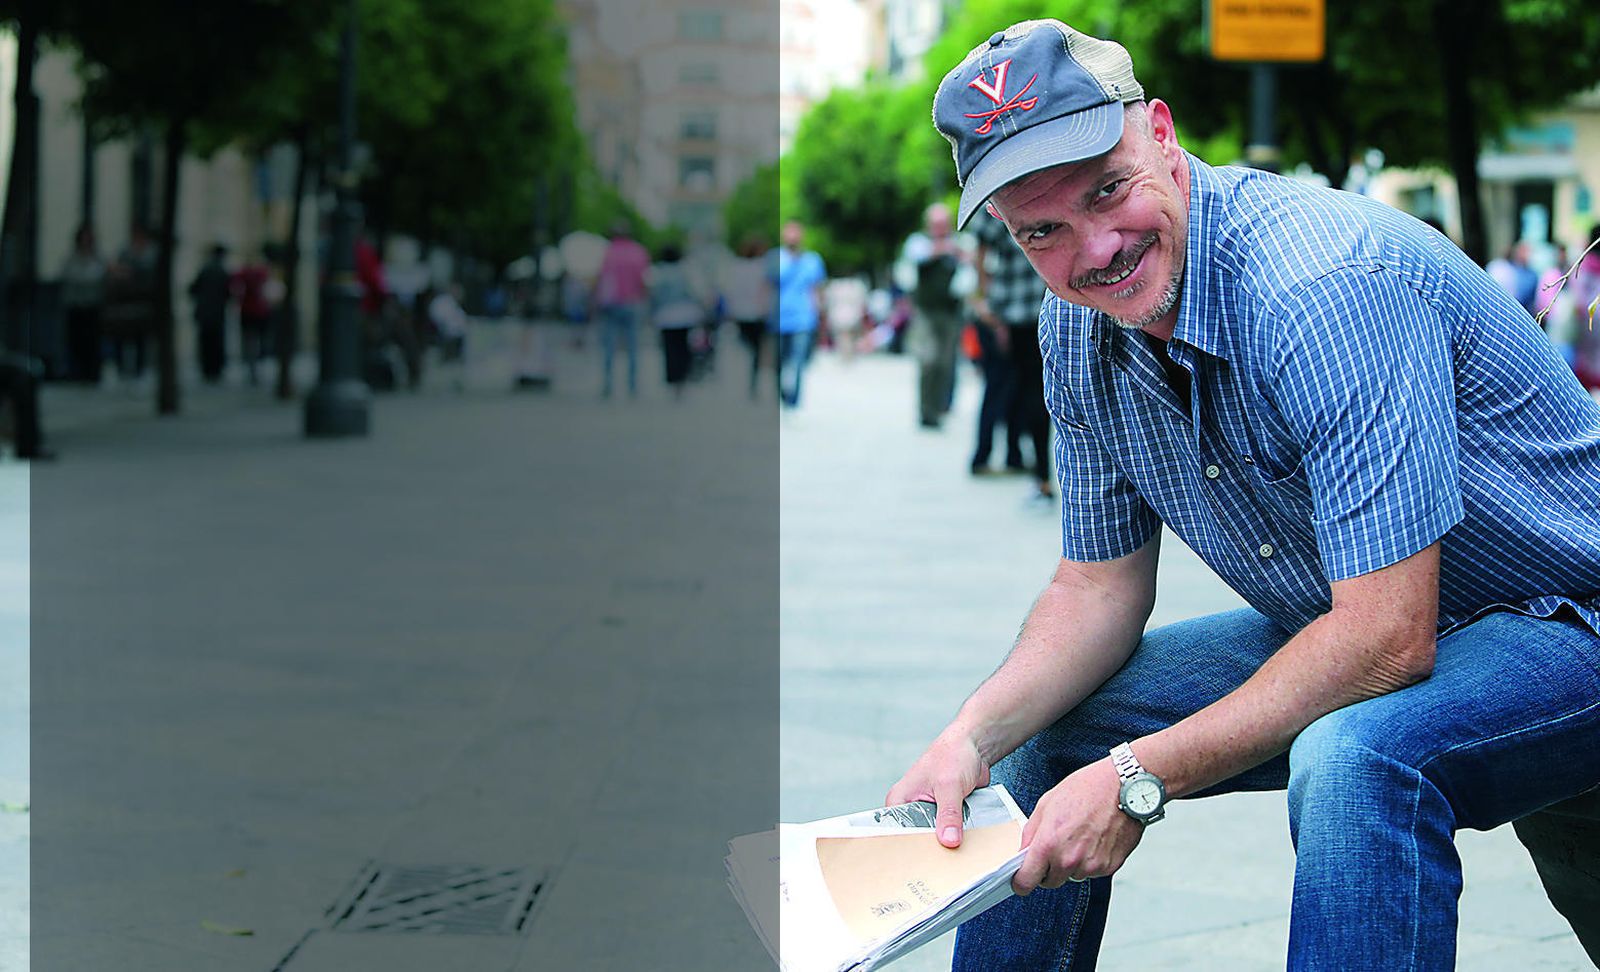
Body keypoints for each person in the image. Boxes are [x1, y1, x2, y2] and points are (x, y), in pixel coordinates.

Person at [887, 20, 1600, 971]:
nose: (1096, 250)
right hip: (1374, 621)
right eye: (1042, 231)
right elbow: (1096, 587)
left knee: (1358, 759)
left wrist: (1136, 776)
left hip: (1569, 618)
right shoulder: (1077, 326)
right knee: (1044, 735)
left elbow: (1386, 640)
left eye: (1107, 190)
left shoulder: (1323, 287)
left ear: (1163, 134)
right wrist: (969, 736)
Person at [971, 210, 1054, 503]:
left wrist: (982, 298)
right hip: (1034, 305)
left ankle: (1029, 467)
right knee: (1029, 391)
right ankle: (1035, 471)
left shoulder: (993, 202)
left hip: (1013, 310)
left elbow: (980, 253)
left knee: (1013, 389)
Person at [895, 203, 976, 428]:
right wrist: (942, 250)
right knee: (929, 359)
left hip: (951, 312)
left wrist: (959, 253)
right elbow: (914, 260)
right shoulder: (918, 242)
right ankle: (926, 411)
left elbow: (971, 263)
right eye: (936, 224)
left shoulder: (960, 243)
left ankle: (941, 408)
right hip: (925, 311)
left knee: (946, 362)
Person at [593, 221, 651, 399]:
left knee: (609, 345)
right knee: (633, 345)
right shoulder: (638, 252)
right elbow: (644, 280)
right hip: (632, 303)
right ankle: (632, 385)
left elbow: (600, 278)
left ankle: (608, 383)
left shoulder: (607, 252)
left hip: (610, 303)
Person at [774, 220, 825, 408]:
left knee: (798, 361)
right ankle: (781, 394)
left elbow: (816, 289)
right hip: (779, 318)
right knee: (779, 362)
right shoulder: (776, 258)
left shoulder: (813, 260)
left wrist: (819, 314)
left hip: (804, 318)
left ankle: (793, 399)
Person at [649, 244, 709, 400]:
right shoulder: (685, 271)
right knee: (684, 348)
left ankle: (673, 379)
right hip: (685, 315)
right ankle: (683, 378)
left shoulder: (658, 272)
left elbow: (654, 296)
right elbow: (694, 292)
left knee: (669, 350)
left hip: (665, 316)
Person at [723, 236, 773, 399]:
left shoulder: (735, 267)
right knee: (757, 349)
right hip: (757, 313)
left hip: (740, 313)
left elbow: (729, 291)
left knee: (749, 348)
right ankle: (753, 381)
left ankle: (750, 380)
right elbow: (765, 291)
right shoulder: (762, 267)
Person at [59, 223, 108, 384]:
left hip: (92, 307)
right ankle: (77, 372)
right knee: (76, 342)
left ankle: (92, 373)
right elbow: (69, 275)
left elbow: (99, 276)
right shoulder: (72, 259)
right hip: (75, 307)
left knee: (92, 342)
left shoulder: (97, 258)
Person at [188, 244, 231, 383]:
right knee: (216, 342)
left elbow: (192, 289)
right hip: (217, 313)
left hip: (204, 313)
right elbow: (228, 293)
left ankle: (207, 369)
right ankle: (215, 369)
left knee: (205, 342)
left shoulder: (205, 269)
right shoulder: (222, 271)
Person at [823, 274, 869, 362]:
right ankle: (849, 355)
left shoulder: (834, 286)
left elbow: (829, 303)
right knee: (850, 337)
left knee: (842, 337)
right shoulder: (856, 286)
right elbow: (862, 302)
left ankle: (845, 355)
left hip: (838, 315)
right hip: (853, 315)